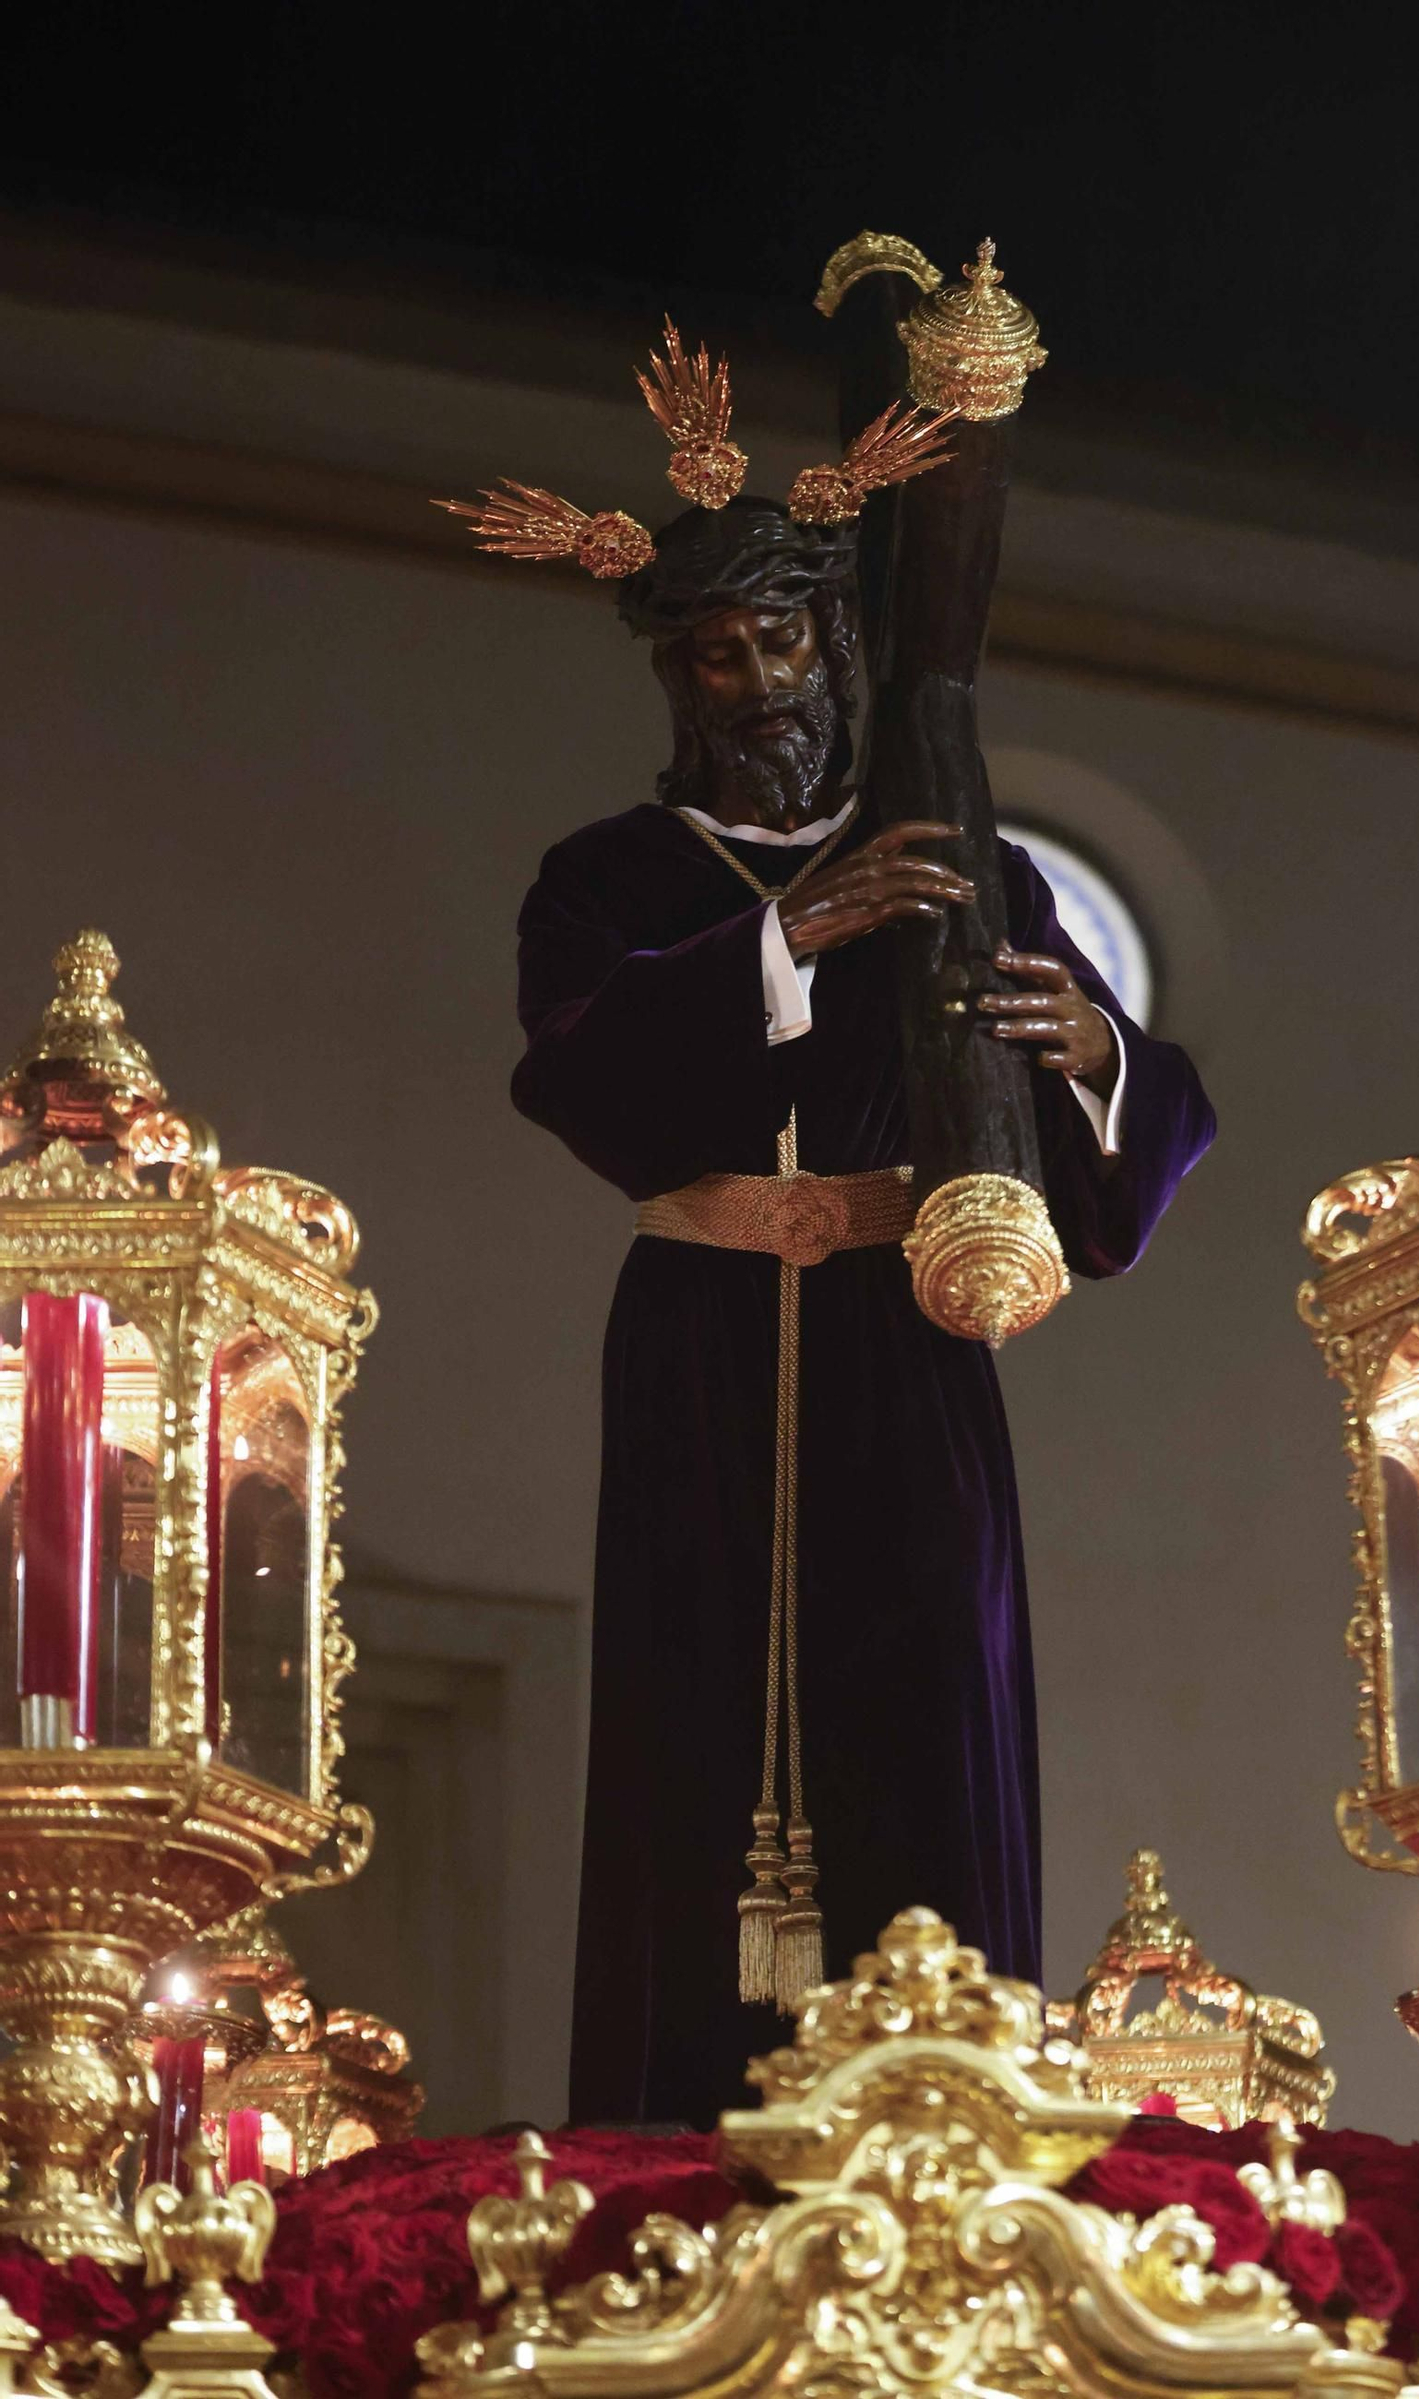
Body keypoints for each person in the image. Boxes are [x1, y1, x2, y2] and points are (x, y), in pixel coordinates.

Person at [507, 493, 1216, 2126]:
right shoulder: (603, 879)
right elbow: (577, 1078)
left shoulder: (970, 867)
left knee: (926, 1706)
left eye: (779, 639)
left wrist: (1097, 1060)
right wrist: (788, 938)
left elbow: (1119, 1164)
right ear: (676, 679)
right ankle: (686, 2147)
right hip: (701, 1340)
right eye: (714, 655)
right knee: (692, 1737)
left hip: (905, 1353)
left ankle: (946, 2128)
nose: (755, 683)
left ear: (840, 643)